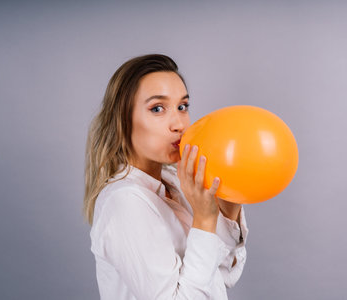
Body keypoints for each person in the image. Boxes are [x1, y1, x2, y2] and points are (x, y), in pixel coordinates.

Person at [84, 54, 249, 300]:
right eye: (157, 108)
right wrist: (204, 218)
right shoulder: (125, 202)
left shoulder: (177, 183)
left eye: (182, 107)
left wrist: (228, 203)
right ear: (123, 121)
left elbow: (221, 277)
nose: (179, 124)